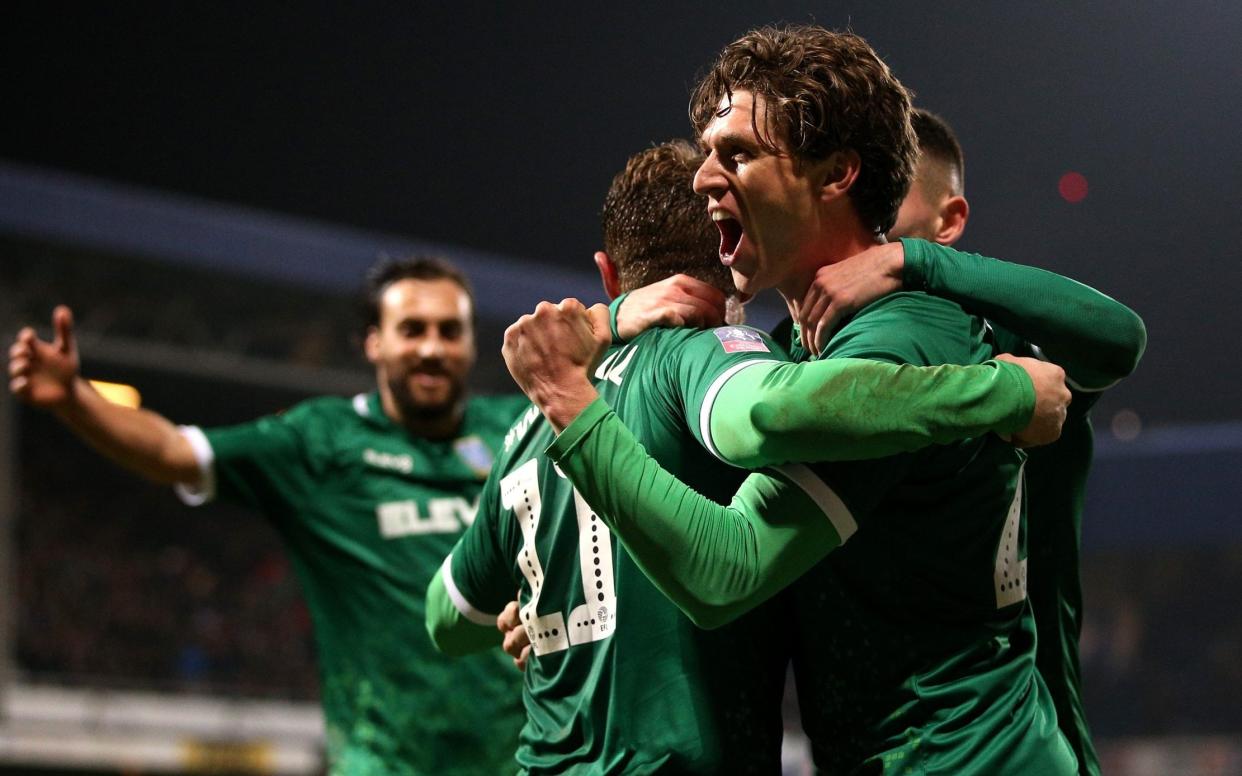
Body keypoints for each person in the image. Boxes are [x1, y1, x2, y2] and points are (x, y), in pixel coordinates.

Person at [503, 25, 1140, 775]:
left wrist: (570, 402)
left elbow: (727, 566)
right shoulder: (799, 345)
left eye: (736, 154)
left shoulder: (900, 337)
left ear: (836, 175)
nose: (704, 178)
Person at [424, 140, 1071, 773]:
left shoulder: (525, 429)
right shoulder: (711, 355)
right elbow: (766, 413)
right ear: (733, 248)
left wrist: (531, 607)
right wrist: (1003, 392)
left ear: (609, 272)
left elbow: (447, 619)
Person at [7, 257, 528, 775]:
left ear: (471, 342)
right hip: (384, 763)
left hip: (519, 760)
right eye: (412, 330)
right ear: (374, 341)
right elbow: (172, 452)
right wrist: (76, 400)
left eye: (449, 331)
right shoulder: (319, 442)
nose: (432, 348)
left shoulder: (518, 430)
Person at [864, 107, 1130, 776]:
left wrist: (913, 261)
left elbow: (1119, 336)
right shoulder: (806, 358)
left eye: (886, 206)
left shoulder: (1005, 344)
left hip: (1022, 736)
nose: (868, 234)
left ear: (947, 221)